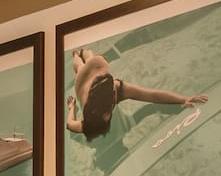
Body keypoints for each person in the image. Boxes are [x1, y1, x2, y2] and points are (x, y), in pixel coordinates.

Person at [65, 46, 206, 141]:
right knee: (80, 66)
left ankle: (83, 53)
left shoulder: (116, 87)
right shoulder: (90, 122)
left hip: (97, 68)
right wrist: (71, 107)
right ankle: (77, 54)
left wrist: (183, 99)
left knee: (89, 59)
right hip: (83, 80)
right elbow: (70, 124)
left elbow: (153, 96)